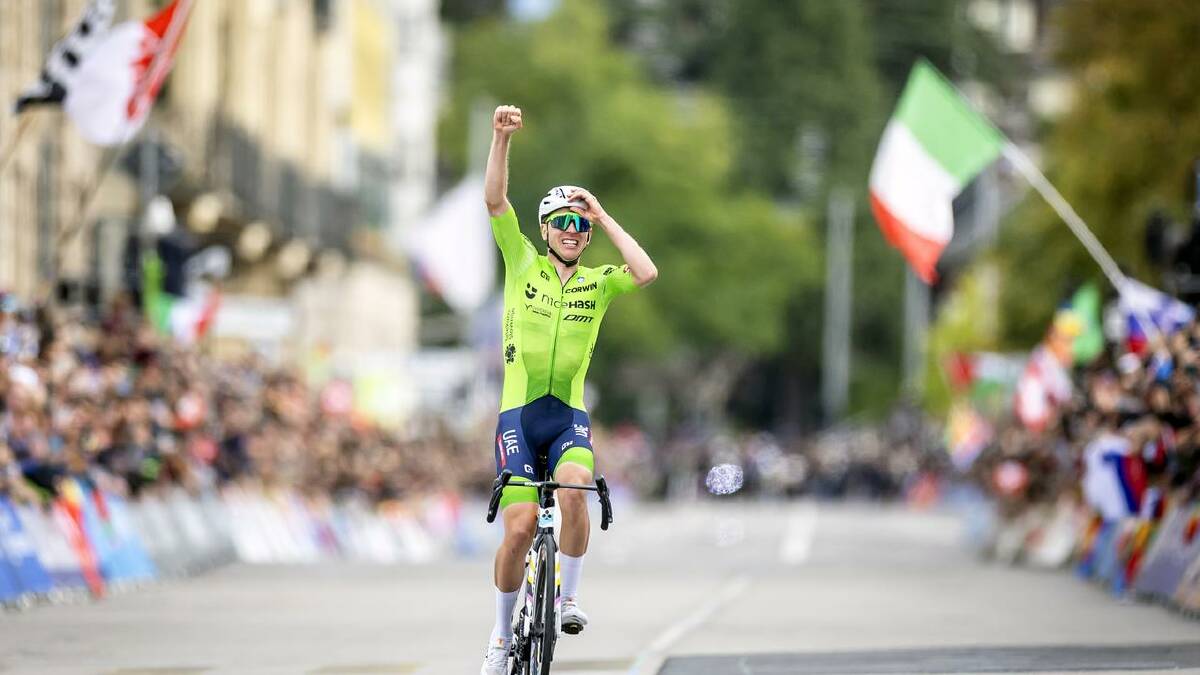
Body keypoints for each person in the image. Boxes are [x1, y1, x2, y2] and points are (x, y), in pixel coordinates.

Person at [480, 104, 658, 673]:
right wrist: (501, 139)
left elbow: (646, 271)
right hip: (518, 413)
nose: (574, 232)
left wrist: (604, 217)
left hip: (568, 415)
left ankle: (569, 597)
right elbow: (493, 201)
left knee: (578, 485)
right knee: (520, 527)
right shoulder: (521, 261)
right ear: (545, 228)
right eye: (566, 222)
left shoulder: (598, 283)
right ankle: (502, 636)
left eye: (581, 226)